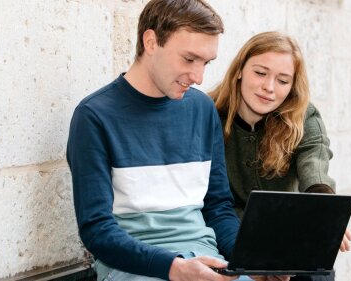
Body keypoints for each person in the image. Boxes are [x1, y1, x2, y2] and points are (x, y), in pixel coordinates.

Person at [67, 1, 252, 280]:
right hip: (133, 267)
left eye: (206, 63)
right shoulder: (94, 116)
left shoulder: (202, 110)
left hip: (204, 260)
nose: (199, 77)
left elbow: (218, 208)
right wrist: (174, 267)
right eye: (189, 59)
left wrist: (252, 260)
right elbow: (97, 230)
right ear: (151, 42)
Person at [210, 31, 351, 281]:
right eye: (260, 73)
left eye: (283, 80)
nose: (269, 87)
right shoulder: (209, 114)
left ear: (292, 86)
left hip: (288, 235)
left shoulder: (304, 117)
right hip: (226, 236)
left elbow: (315, 161)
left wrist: (323, 212)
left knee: (316, 275)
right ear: (240, 69)